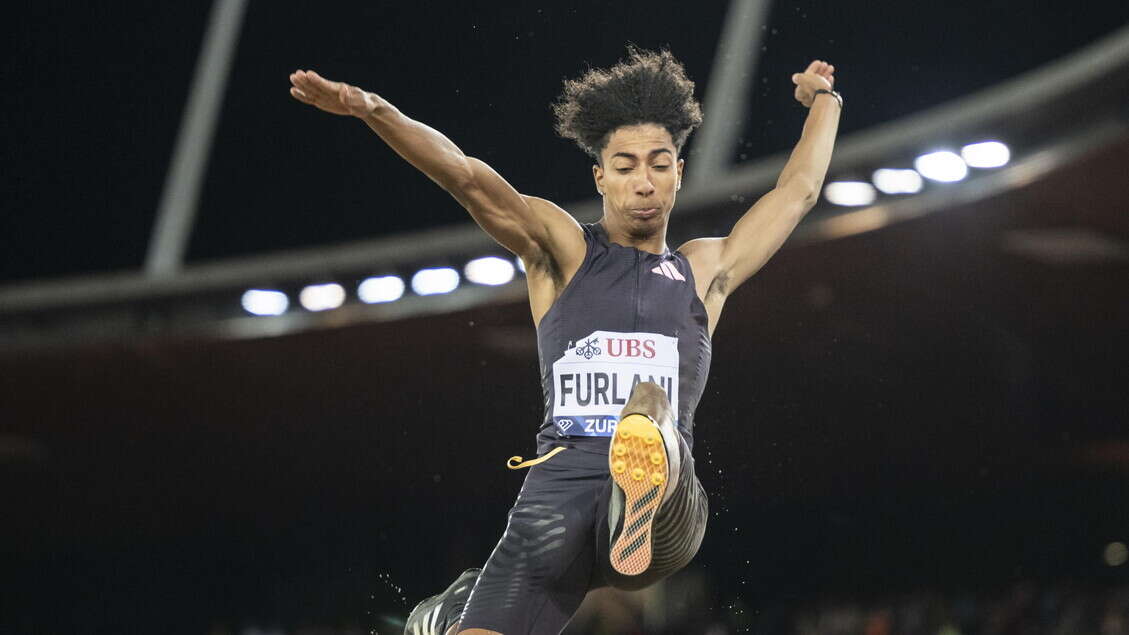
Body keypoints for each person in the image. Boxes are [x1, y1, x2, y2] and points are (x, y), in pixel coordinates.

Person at [289, 46, 840, 635]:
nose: (644, 183)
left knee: (649, 404)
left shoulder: (704, 270)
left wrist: (824, 101)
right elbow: (466, 175)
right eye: (625, 167)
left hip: (666, 508)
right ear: (600, 177)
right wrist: (374, 109)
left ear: (679, 172)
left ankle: (636, 498)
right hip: (556, 494)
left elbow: (798, 192)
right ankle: (447, 617)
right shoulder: (564, 250)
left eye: (659, 164)